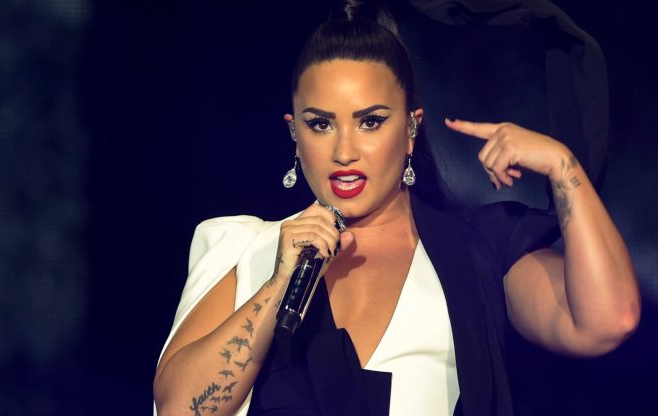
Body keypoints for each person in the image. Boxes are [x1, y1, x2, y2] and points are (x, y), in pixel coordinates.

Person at [152, 1, 641, 415]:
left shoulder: (476, 251)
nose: (344, 151)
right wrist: (279, 282)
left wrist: (562, 166)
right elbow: (179, 408)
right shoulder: (247, 248)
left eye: (370, 122)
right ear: (293, 134)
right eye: (321, 124)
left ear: (410, 129)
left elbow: (607, 321)